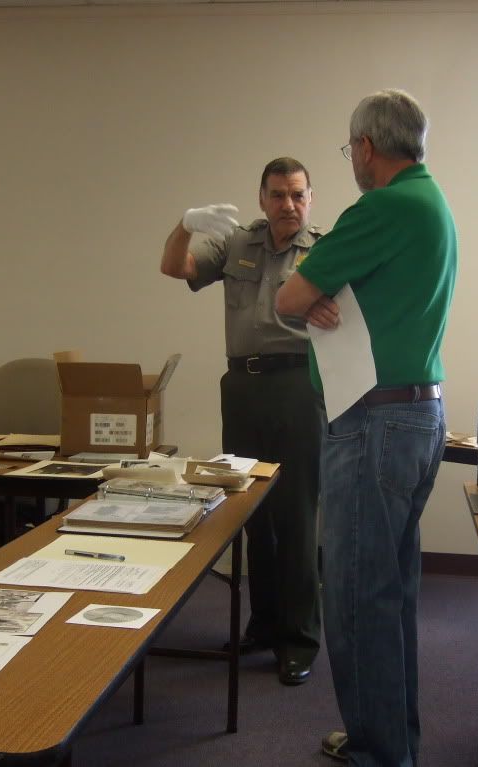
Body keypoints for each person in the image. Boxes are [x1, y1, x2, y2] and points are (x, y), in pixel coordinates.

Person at [275, 89, 458, 765]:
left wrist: (314, 291)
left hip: (372, 423)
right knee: (388, 592)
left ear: (365, 147)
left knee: (355, 600)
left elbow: (289, 295)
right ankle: (389, 740)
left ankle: (380, 754)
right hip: (415, 418)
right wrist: (321, 289)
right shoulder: (431, 200)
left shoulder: (382, 204)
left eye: (349, 148)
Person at [160, 157, 323, 686]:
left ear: (309, 198)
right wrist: (185, 223)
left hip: (299, 386)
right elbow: (173, 267)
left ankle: (298, 638)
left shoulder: (323, 250)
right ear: (262, 199)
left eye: (297, 195)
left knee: (297, 516)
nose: (288, 206)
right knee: (252, 509)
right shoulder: (237, 244)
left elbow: (356, 314)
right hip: (243, 386)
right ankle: (264, 623)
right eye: (278, 195)